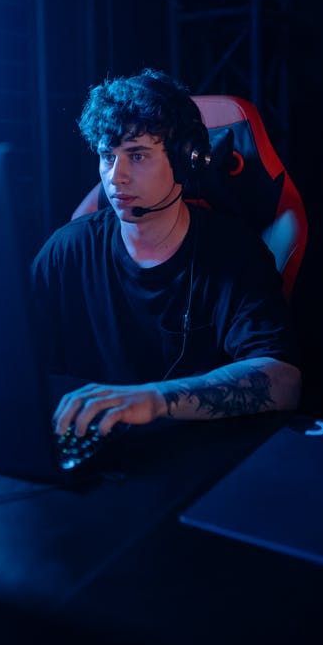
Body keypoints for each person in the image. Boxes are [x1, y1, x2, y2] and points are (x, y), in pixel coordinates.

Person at [31, 68, 301, 439]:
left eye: (137, 155)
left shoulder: (233, 252)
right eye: (107, 157)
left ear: (186, 161)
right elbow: (18, 361)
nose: (116, 176)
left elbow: (282, 381)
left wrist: (156, 399)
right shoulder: (66, 251)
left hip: (195, 453)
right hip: (94, 448)